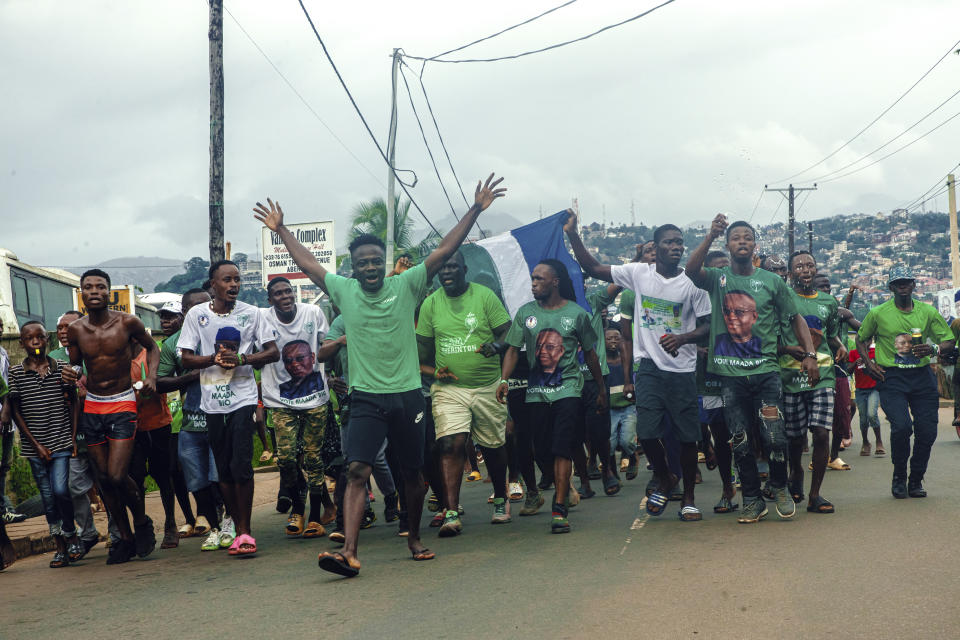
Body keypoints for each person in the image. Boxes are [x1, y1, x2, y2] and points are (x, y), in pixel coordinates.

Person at [255, 172, 506, 577]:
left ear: (383, 265)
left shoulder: (407, 285)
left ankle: (414, 537)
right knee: (357, 470)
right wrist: (281, 229)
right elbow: (309, 264)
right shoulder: (344, 291)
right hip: (367, 398)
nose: (369, 268)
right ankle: (350, 552)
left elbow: (445, 249)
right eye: (362, 263)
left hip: (408, 396)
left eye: (375, 262)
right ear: (353, 269)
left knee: (412, 472)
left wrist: (476, 208)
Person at [567, 218, 711, 521]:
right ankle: (664, 476)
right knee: (645, 433)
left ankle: (687, 498)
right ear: (654, 248)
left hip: (682, 371)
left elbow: (708, 326)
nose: (676, 247)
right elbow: (594, 268)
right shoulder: (639, 274)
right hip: (649, 368)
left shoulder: (692, 283)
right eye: (669, 242)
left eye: (679, 242)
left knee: (686, 438)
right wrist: (572, 234)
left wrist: (683, 338)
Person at [686, 216, 819, 524]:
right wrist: (709, 236)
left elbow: (795, 318)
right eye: (736, 238)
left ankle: (779, 485)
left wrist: (809, 354)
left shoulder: (772, 281)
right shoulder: (718, 278)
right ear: (728, 245)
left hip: (766, 373)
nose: (742, 242)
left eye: (747, 237)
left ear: (754, 245)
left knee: (774, 435)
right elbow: (691, 271)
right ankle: (751, 498)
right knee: (741, 440)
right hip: (731, 378)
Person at [179, 261, 280, 556]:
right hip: (211, 401)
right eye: (227, 280)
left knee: (240, 463)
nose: (234, 285)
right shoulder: (197, 316)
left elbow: (272, 351)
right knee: (223, 468)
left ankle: (246, 532)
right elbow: (186, 358)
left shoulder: (253, 313)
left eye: (237, 280)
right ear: (213, 284)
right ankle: (235, 525)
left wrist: (243, 360)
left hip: (243, 397)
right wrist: (213, 359)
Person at [498, 258, 605, 534]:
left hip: (569, 389)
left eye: (539, 279)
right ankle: (561, 484)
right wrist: (504, 380)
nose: (533, 284)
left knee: (561, 446)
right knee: (541, 448)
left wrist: (601, 388)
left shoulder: (576, 314)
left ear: (554, 282)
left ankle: (559, 509)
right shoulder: (526, 313)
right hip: (535, 393)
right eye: (532, 279)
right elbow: (512, 348)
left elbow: (591, 354)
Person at [66, 268, 161, 563]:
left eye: (100, 287)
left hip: (122, 403)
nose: (94, 291)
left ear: (109, 292)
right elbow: (76, 364)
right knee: (104, 479)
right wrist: (72, 374)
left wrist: (152, 378)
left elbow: (153, 347)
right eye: (88, 287)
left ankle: (142, 520)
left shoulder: (127, 322)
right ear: (82, 293)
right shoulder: (76, 329)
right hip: (92, 405)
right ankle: (125, 538)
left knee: (118, 475)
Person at [416, 251, 513, 534]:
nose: (447, 272)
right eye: (442, 268)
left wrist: (496, 346)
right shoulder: (430, 305)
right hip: (449, 389)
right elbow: (422, 352)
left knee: (493, 447)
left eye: (453, 267)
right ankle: (451, 511)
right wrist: (435, 372)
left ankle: (500, 497)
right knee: (450, 444)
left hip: (486, 386)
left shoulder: (483, 296)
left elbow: (508, 332)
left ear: (464, 269)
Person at [855, 265, 954, 499]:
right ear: (891, 287)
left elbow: (948, 340)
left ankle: (916, 479)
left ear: (913, 285)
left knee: (927, 431)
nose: (903, 285)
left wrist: (933, 348)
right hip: (892, 378)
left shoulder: (927, 312)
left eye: (906, 281)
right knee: (902, 427)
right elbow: (861, 339)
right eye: (898, 282)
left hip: (921, 377)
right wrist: (869, 365)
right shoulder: (878, 313)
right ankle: (899, 475)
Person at [260, 276, 336, 539]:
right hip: (280, 402)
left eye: (288, 291)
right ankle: (297, 509)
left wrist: (334, 375)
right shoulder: (263, 318)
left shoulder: (313, 312)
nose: (285, 297)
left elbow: (329, 344)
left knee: (314, 459)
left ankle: (314, 517)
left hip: (315, 399)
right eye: (278, 294)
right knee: (286, 459)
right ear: (270, 300)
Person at [6, 321, 83, 567]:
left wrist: (72, 437)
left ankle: (71, 534)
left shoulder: (61, 368)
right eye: (30, 339)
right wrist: (36, 445)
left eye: (40, 337)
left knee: (61, 491)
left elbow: (73, 402)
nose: (36, 342)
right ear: (22, 343)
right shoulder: (16, 373)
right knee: (48, 498)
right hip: (34, 447)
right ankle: (59, 545)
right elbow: (16, 412)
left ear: (47, 340)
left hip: (60, 440)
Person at [778, 251, 846, 514]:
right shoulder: (782, 298)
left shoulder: (829, 301)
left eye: (810, 266)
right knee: (794, 438)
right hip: (791, 376)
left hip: (823, 375)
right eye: (799, 266)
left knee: (820, 431)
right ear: (790, 272)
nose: (805, 270)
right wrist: (787, 350)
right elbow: (773, 336)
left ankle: (815, 494)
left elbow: (830, 334)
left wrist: (838, 345)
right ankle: (795, 472)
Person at [156, 288, 222, 552]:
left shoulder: (225, 333)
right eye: (192, 308)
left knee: (222, 478)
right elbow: (160, 382)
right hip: (192, 423)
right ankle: (215, 526)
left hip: (222, 418)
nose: (199, 311)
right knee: (196, 481)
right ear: (185, 313)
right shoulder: (173, 344)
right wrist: (191, 376)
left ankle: (229, 523)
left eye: (204, 305)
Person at [47, 311, 101, 555]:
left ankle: (119, 533)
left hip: (99, 424)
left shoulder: (95, 349)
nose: (62, 331)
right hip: (70, 433)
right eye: (59, 327)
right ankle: (88, 533)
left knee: (106, 481)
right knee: (73, 485)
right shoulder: (52, 358)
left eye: (68, 327)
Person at [127, 336, 176, 548]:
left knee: (163, 474)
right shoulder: (118, 357)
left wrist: (153, 382)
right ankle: (142, 526)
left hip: (157, 421)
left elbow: (165, 379)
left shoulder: (152, 354)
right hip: (131, 426)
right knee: (136, 476)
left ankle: (171, 524)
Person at [156, 301, 198, 541]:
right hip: (168, 417)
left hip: (189, 412)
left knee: (195, 464)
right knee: (174, 470)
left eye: (171, 317)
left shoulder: (189, 343)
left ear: (182, 318)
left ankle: (208, 513)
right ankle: (189, 519)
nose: (165, 322)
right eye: (163, 318)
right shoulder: (158, 347)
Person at [0, 316, 27, 525]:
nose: (0, 330)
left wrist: (7, 414)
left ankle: (3, 511)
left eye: (0, 326)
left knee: (4, 465)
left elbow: (6, 387)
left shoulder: (2, 353)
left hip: (4, 419)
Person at [849, 341, 885, 457]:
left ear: (872, 341)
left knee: (872, 414)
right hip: (860, 390)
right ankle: (865, 442)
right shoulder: (854, 353)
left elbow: (883, 368)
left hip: (874, 388)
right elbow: (848, 370)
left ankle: (879, 442)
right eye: (862, 340)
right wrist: (855, 363)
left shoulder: (876, 352)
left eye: (868, 340)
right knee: (863, 418)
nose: (865, 343)